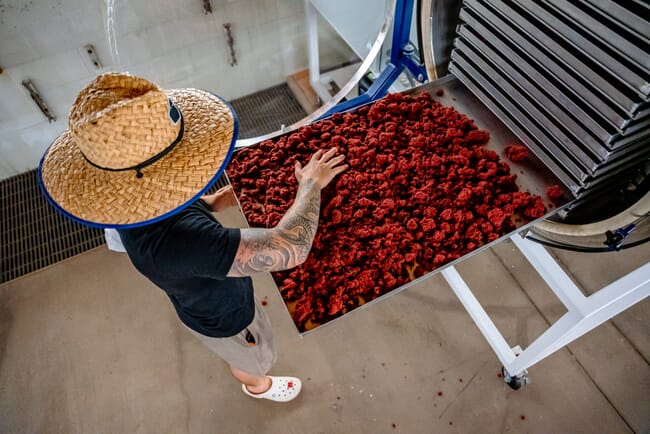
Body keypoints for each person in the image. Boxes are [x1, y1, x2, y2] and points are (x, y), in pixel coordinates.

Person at [38, 72, 348, 402]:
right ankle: (258, 385)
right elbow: (291, 249)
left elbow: (183, 207)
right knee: (253, 357)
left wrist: (221, 200)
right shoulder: (180, 245)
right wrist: (311, 186)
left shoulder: (126, 211)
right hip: (227, 319)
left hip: (200, 296)